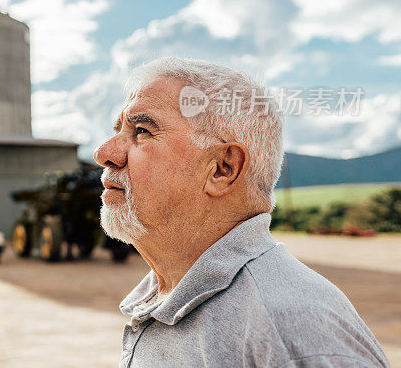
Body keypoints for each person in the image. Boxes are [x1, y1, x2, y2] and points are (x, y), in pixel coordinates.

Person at [93, 57, 389, 368]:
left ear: (223, 169)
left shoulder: (289, 327)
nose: (104, 153)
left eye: (142, 131)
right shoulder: (171, 293)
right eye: (119, 130)